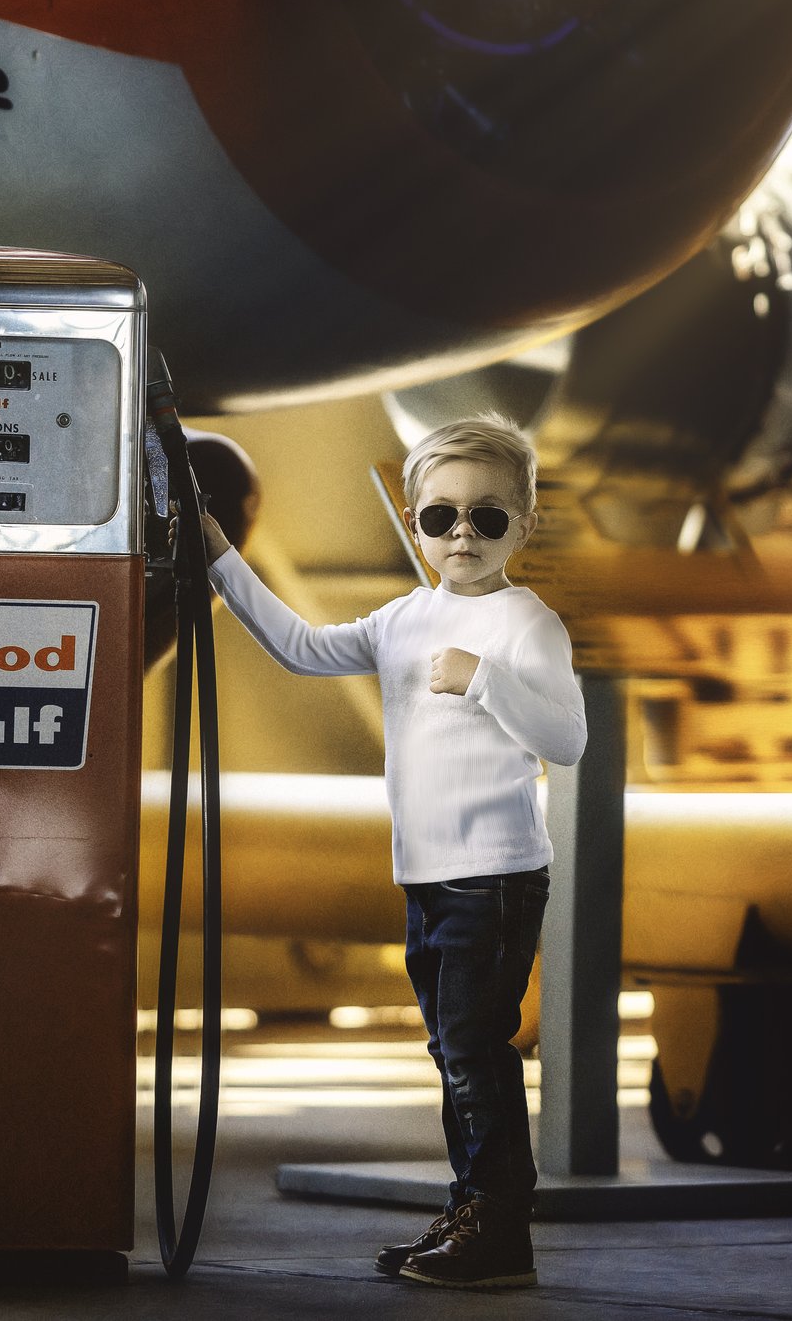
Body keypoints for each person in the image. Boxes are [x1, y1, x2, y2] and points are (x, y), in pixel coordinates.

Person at [200, 414, 586, 1290]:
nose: (462, 535)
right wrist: (222, 555)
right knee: (456, 1052)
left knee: (475, 1050)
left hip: (492, 876)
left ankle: (499, 1229)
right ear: (411, 523)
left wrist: (483, 679)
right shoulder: (405, 618)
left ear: (524, 525)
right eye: (440, 516)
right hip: (429, 875)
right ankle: (472, 1206)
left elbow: (566, 739)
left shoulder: (530, 626)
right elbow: (301, 649)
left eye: (487, 518)